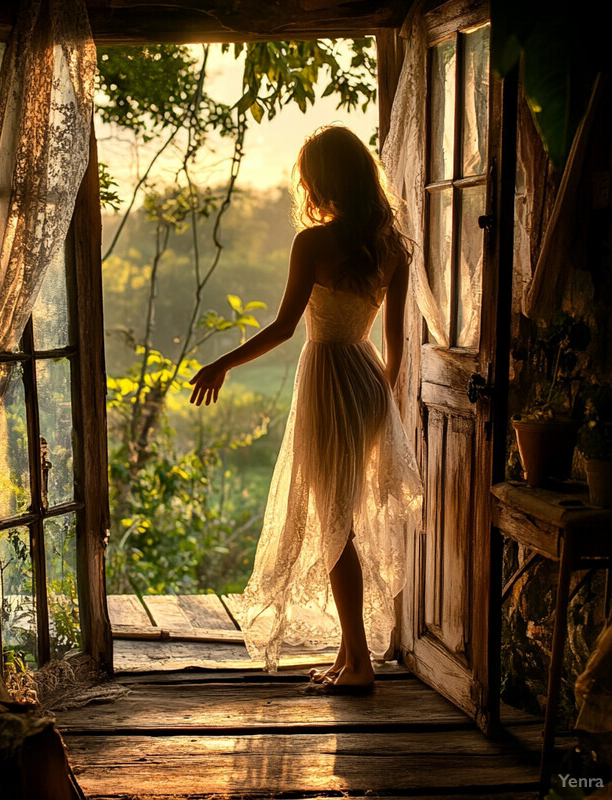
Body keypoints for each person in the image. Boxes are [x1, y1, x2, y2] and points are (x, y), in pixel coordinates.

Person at [189, 125, 423, 692]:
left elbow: (284, 327)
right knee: (346, 516)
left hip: (328, 379)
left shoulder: (313, 243)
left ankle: (361, 666)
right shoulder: (393, 247)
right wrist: (380, 407)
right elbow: (395, 347)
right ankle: (350, 657)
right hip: (367, 381)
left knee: (334, 525)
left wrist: (222, 362)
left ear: (322, 180)